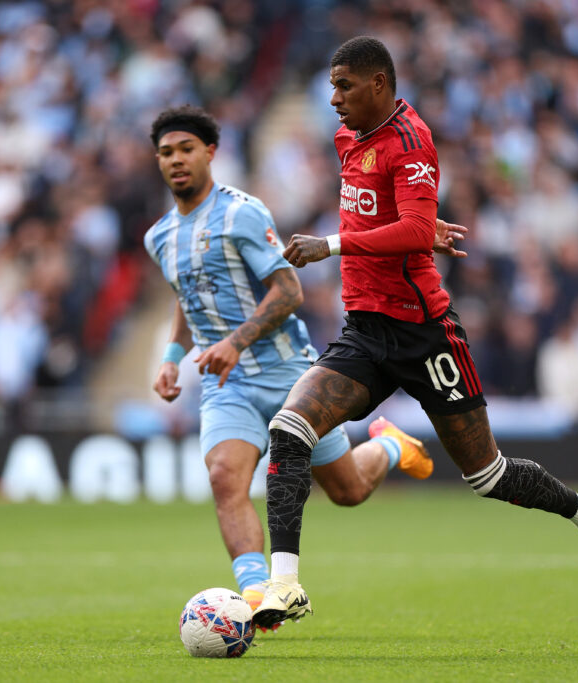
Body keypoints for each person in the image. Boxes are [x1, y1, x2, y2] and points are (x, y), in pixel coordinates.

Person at [252, 37, 578, 629]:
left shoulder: (412, 140)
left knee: (488, 475)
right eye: (331, 86)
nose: (334, 99)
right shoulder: (348, 137)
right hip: (365, 329)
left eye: (344, 86)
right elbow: (393, 217)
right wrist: (419, 226)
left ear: (379, 83)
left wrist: (338, 243)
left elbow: (406, 227)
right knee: (289, 428)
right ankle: (285, 585)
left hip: (424, 333)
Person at [143, 105, 437, 621]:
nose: (176, 160)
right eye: (166, 153)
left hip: (286, 373)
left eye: (186, 149)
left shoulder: (242, 214)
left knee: (347, 490)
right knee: (224, 477)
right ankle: (257, 596)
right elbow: (187, 298)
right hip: (226, 384)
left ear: (210, 153)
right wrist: (171, 357)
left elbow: (288, 290)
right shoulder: (159, 236)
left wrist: (235, 341)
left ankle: (390, 445)